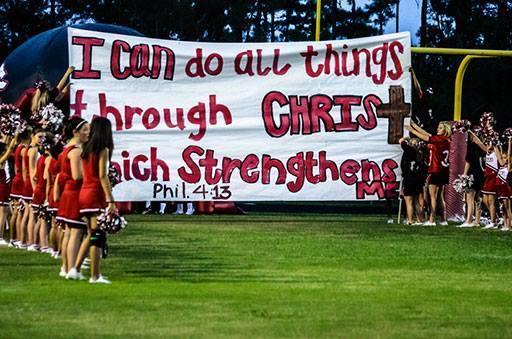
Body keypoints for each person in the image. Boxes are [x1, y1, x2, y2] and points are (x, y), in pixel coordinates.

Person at [79, 117, 115, 284]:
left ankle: (75, 268)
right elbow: (102, 175)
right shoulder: (103, 150)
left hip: (84, 193)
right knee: (97, 236)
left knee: (91, 234)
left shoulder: (86, 148)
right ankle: (95, 275)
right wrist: (110, 200)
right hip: (95, 194)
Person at [55, 117, 90, 279]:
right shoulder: (75, 151)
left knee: (69, 232)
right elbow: (77, 176)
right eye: (85, 130)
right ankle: (71, 270)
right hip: (75, 193)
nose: (88, 133)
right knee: (75, 233)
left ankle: (65, 267)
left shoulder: (65, 149)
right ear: (75, 132)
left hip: (68, 193)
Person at [407, 120, 451, 226]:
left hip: (436, 170)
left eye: (440, 128)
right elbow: (427, 134)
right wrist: (414, 126)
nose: (438, 129)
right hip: (444, 171)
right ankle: (444, 219)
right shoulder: (446, 140)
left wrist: (411, 130)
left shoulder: (440, 139)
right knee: (440, 196)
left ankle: (432, 220)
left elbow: (426, 138)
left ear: (445, 130)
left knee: (432, 196)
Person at [458, 128, 486, 227]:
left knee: (469, 199)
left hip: (473, 174)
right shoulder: (484, 147)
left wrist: (464, 175)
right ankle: (477, 221)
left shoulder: (471, 146)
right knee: (478, 199)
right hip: (482, 175)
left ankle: (468, 220)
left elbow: (468, 162)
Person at [399, 137, 426, 225]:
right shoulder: (419, 153)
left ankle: (410, 220)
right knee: (417, 201)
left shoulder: (408, 150)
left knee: (408, 200)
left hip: (409, 178)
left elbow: (401, 141)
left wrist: (407, 137)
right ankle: (420, 219)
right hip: (417, 179)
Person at [0, 134, 18, 245]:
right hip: (2, 187)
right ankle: (0, 237)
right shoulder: (1, 160)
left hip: (4, 186)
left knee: (5, 211)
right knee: (2, 212)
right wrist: (16, 135)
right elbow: (11, 148)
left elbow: (7, 145)